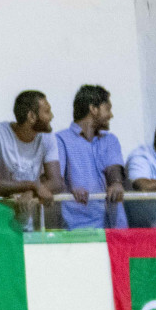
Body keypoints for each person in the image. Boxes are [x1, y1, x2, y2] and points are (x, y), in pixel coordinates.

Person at [0, 90, 67, 228]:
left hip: (25, 224)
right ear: (31, 116)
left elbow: (57, 182)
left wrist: (30, 192)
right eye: (47, 111)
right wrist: (32, 185)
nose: (52, 116)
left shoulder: (47, 137)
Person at [55, 84, 127, 230]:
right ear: (93, 109)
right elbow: (56, 179)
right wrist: (70, 191)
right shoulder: (60, 140)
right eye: (107, 109)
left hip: (114, 227)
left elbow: (113, 168)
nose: (111, 115)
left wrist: (116, 183)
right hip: (77, 228)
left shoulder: (110, 139)